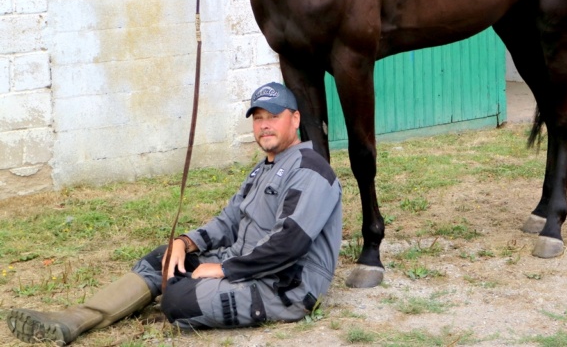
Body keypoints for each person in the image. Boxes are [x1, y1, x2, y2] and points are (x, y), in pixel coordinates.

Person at [8, 82, 343, 345]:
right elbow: (228, 222)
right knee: (163, 259)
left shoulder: (310, 169)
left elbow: (290, 244)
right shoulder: (262, 170)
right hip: (248, 265)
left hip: (284, 287)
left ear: (295, 119)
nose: (264, 126)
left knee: (177, 299)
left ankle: (172, 299)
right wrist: (186, 242)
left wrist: (224, 269)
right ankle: (74, 319)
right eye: (258, 118)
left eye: (273, 116)